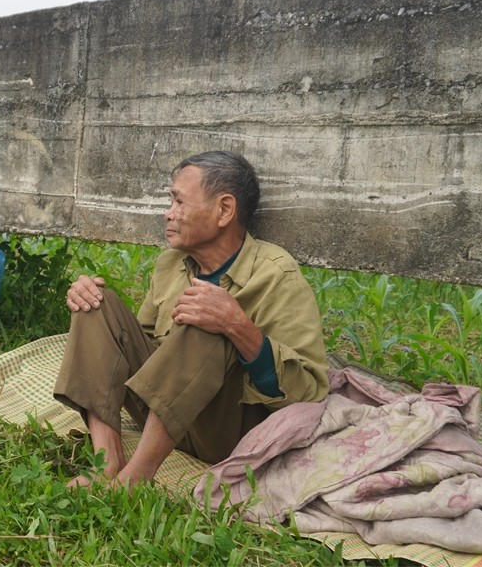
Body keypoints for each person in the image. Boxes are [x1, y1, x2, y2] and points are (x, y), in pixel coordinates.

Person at [53, 150, 329, 487]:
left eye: (179, 202)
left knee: (209, 317)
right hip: (165, 418)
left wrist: (238, 328)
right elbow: (145, 353)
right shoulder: (172, 263)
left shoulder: (277, 275)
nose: (169, 214)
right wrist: (91, 307)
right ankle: (106, 463)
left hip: (226, 434)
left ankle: (135, 479)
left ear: (224, 209)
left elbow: (310, 395)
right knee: (95, 302)